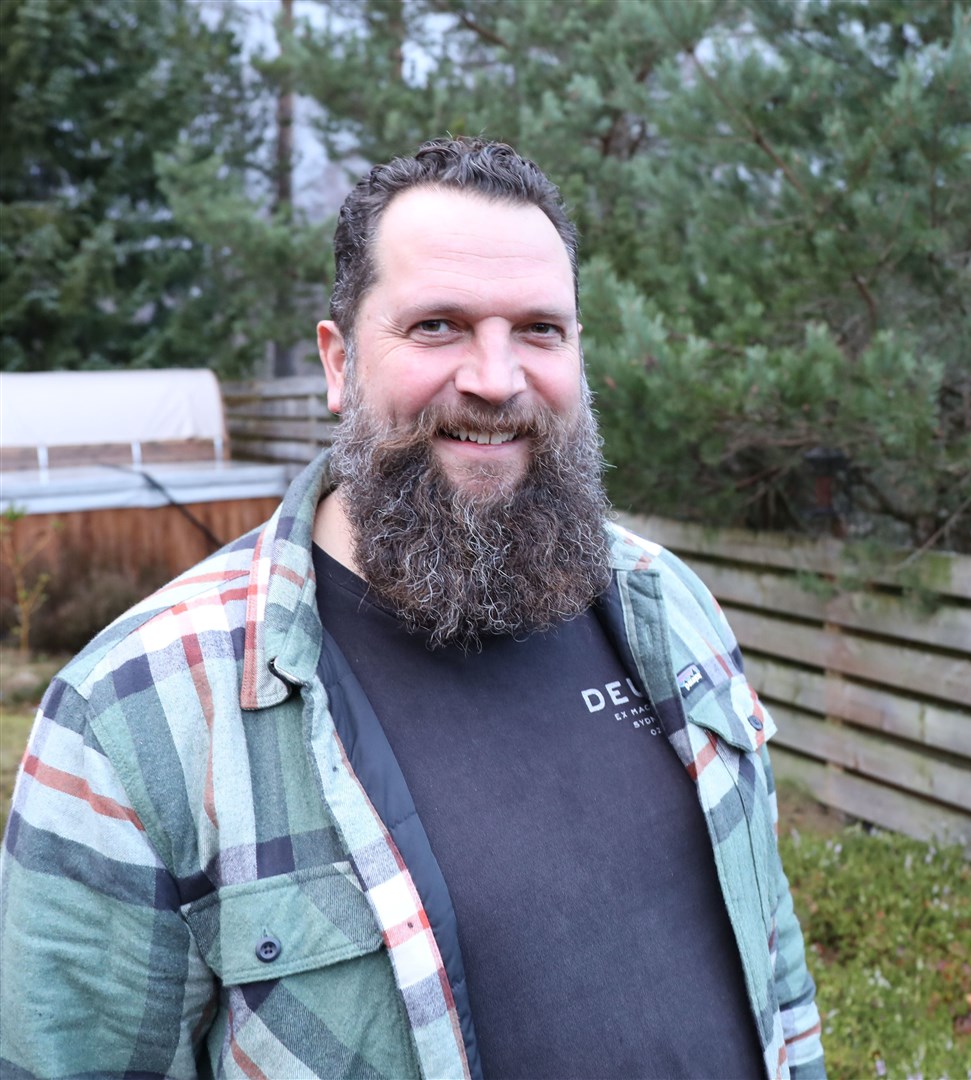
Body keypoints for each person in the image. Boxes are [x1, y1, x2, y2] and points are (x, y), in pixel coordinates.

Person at [0, 137, 825, 1079]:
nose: (496, 377)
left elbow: (772, 961)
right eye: (437, 325)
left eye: (540, 331)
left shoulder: (666, 604)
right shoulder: (132, 717)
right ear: (339, 361)